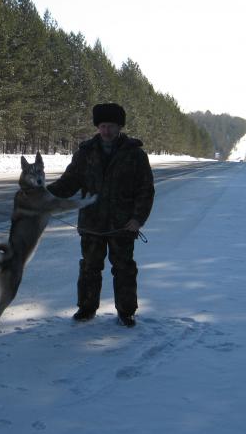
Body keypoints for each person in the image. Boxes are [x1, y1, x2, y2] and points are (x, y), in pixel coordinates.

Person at [47, 103, 155, 327]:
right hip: (91, 223)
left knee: (124, 269)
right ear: (98, 126)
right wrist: (43, 195)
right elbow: (69, 183)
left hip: (123, 225)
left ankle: (126, 312)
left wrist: (137, 219)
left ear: (119, 127)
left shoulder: (135, 155)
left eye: (111, 126)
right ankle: (86, 308)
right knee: (89, 267)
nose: (106, 131)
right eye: (102, 126)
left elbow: (145, 191)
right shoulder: (85, 153)